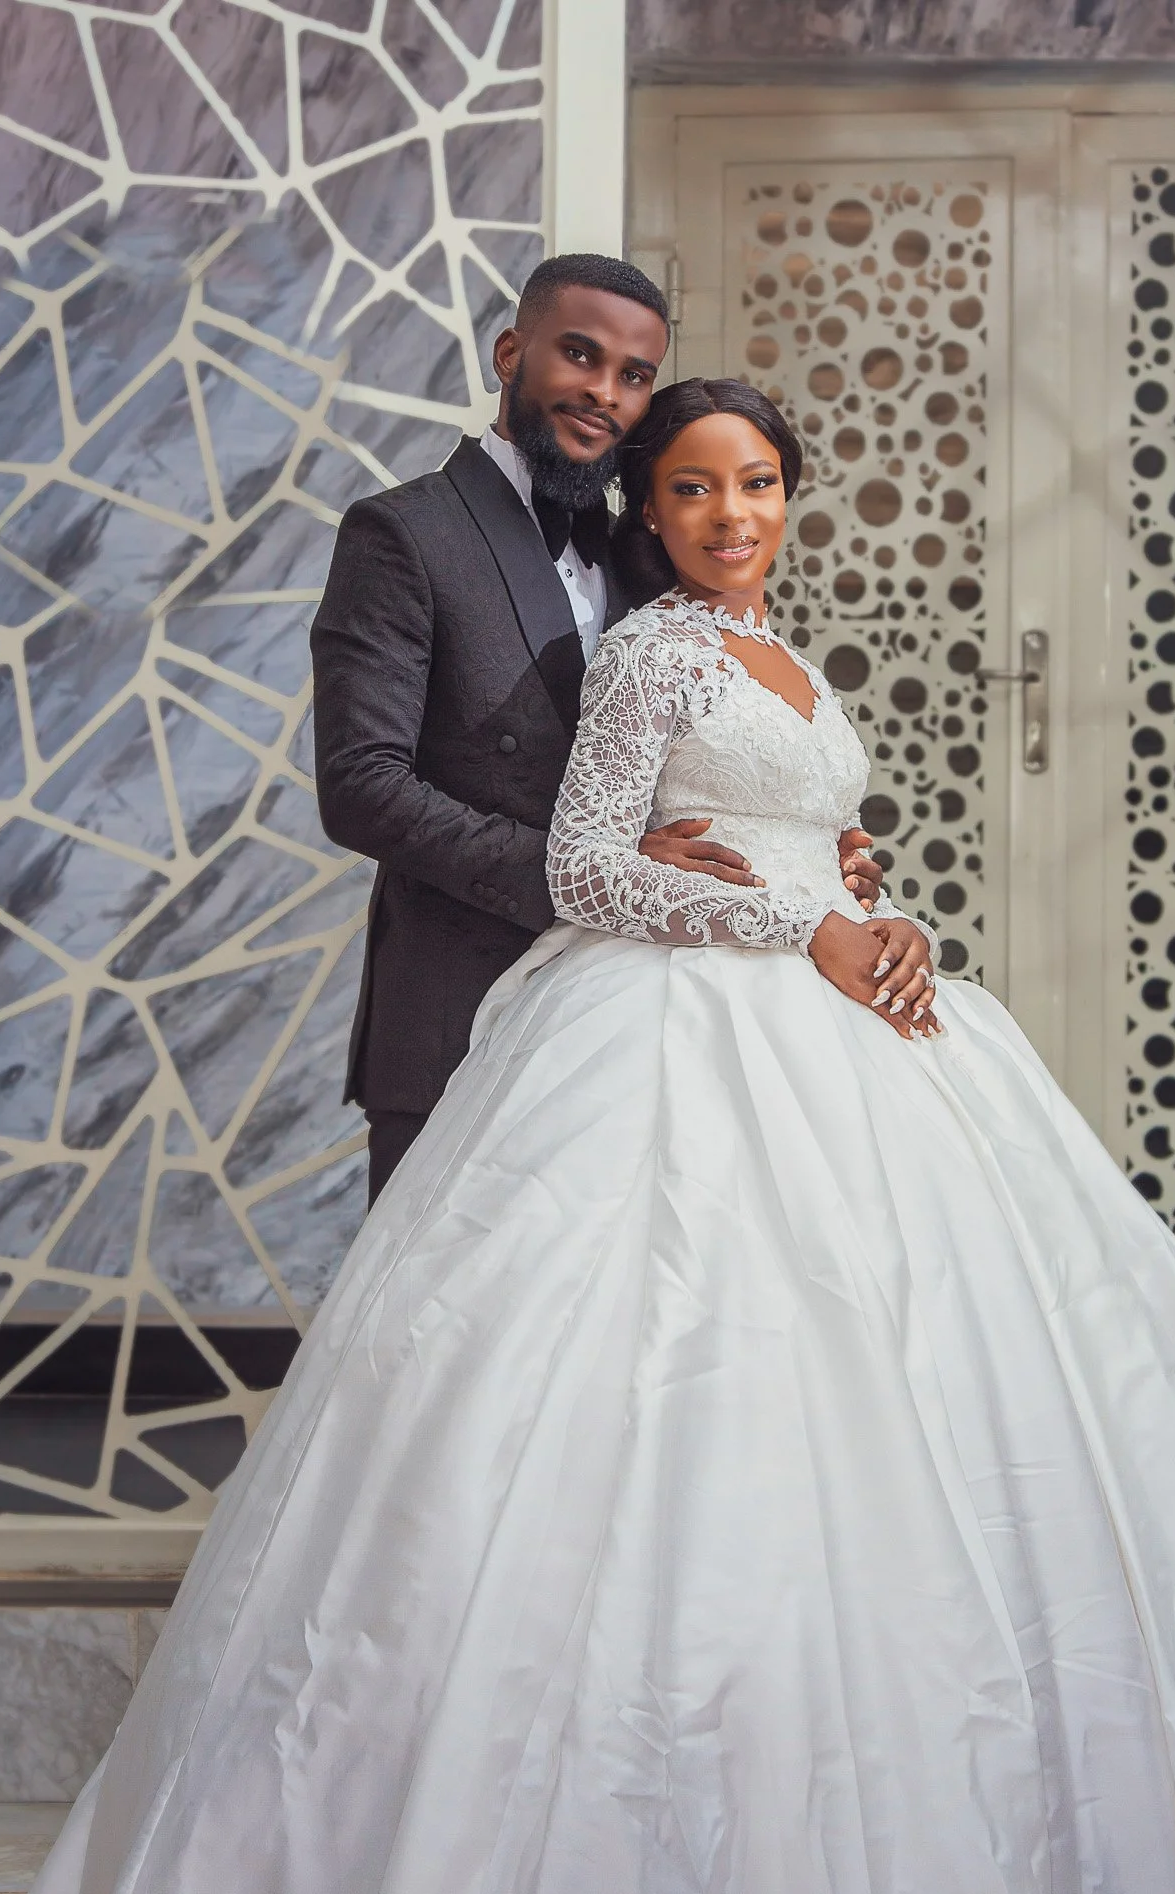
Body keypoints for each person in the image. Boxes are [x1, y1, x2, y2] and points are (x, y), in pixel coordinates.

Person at [0, 380, 1175, 1894]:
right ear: (648, 512)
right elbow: (585, 865)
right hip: (676, 1026)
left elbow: (802, 834)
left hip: (842, 1014)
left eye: (760, 481)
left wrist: (867, 897)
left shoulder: (779, 649)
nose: (732, 514)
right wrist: (802, 929)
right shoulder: (650, 653)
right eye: (696, 489)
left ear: (792, 493)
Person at [310, 252, 885, 1203]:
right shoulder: (404, 533)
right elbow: (363, 787)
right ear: (511, 354)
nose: (605, 393)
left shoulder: (643, 551)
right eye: (579, 355)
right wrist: (589, 870)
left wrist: (808, 857)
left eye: (634, 375)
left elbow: (693, 753)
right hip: (463, 1002)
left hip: (657, 1031)